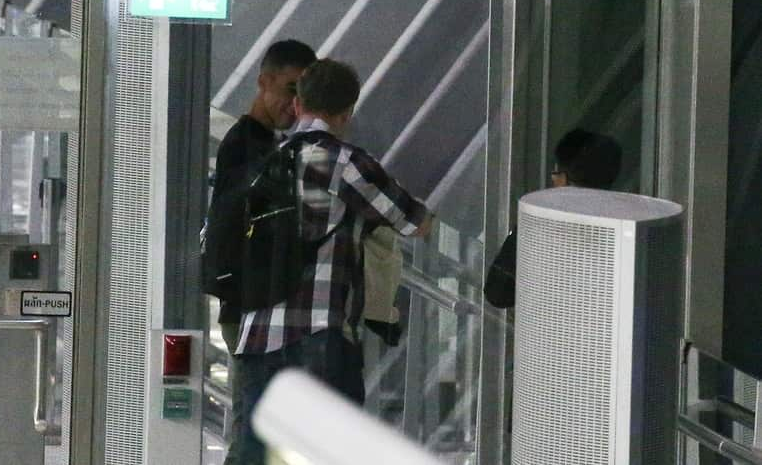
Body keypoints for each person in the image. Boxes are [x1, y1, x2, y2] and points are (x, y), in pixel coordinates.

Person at [231, 58, 434, 464]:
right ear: (347, 112)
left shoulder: (260, 162)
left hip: (255, 335)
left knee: (252, 457)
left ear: (298, 105)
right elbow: (415, 222)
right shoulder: (348, 163)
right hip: (320, 334)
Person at [202, 39, 316, 465]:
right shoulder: (250, 145)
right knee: (256, 423)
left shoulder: (260, 142)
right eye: (290, 90)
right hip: (253, 305)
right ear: (263, 82)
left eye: (303, 94)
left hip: (253, 303)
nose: (296, 103)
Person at [483, 128, 623, 309]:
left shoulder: (544, 227)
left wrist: (522, 231)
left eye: (556, 172)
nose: (552, 178)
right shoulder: (625, 228)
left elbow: (498, 294)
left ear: (565, 179)